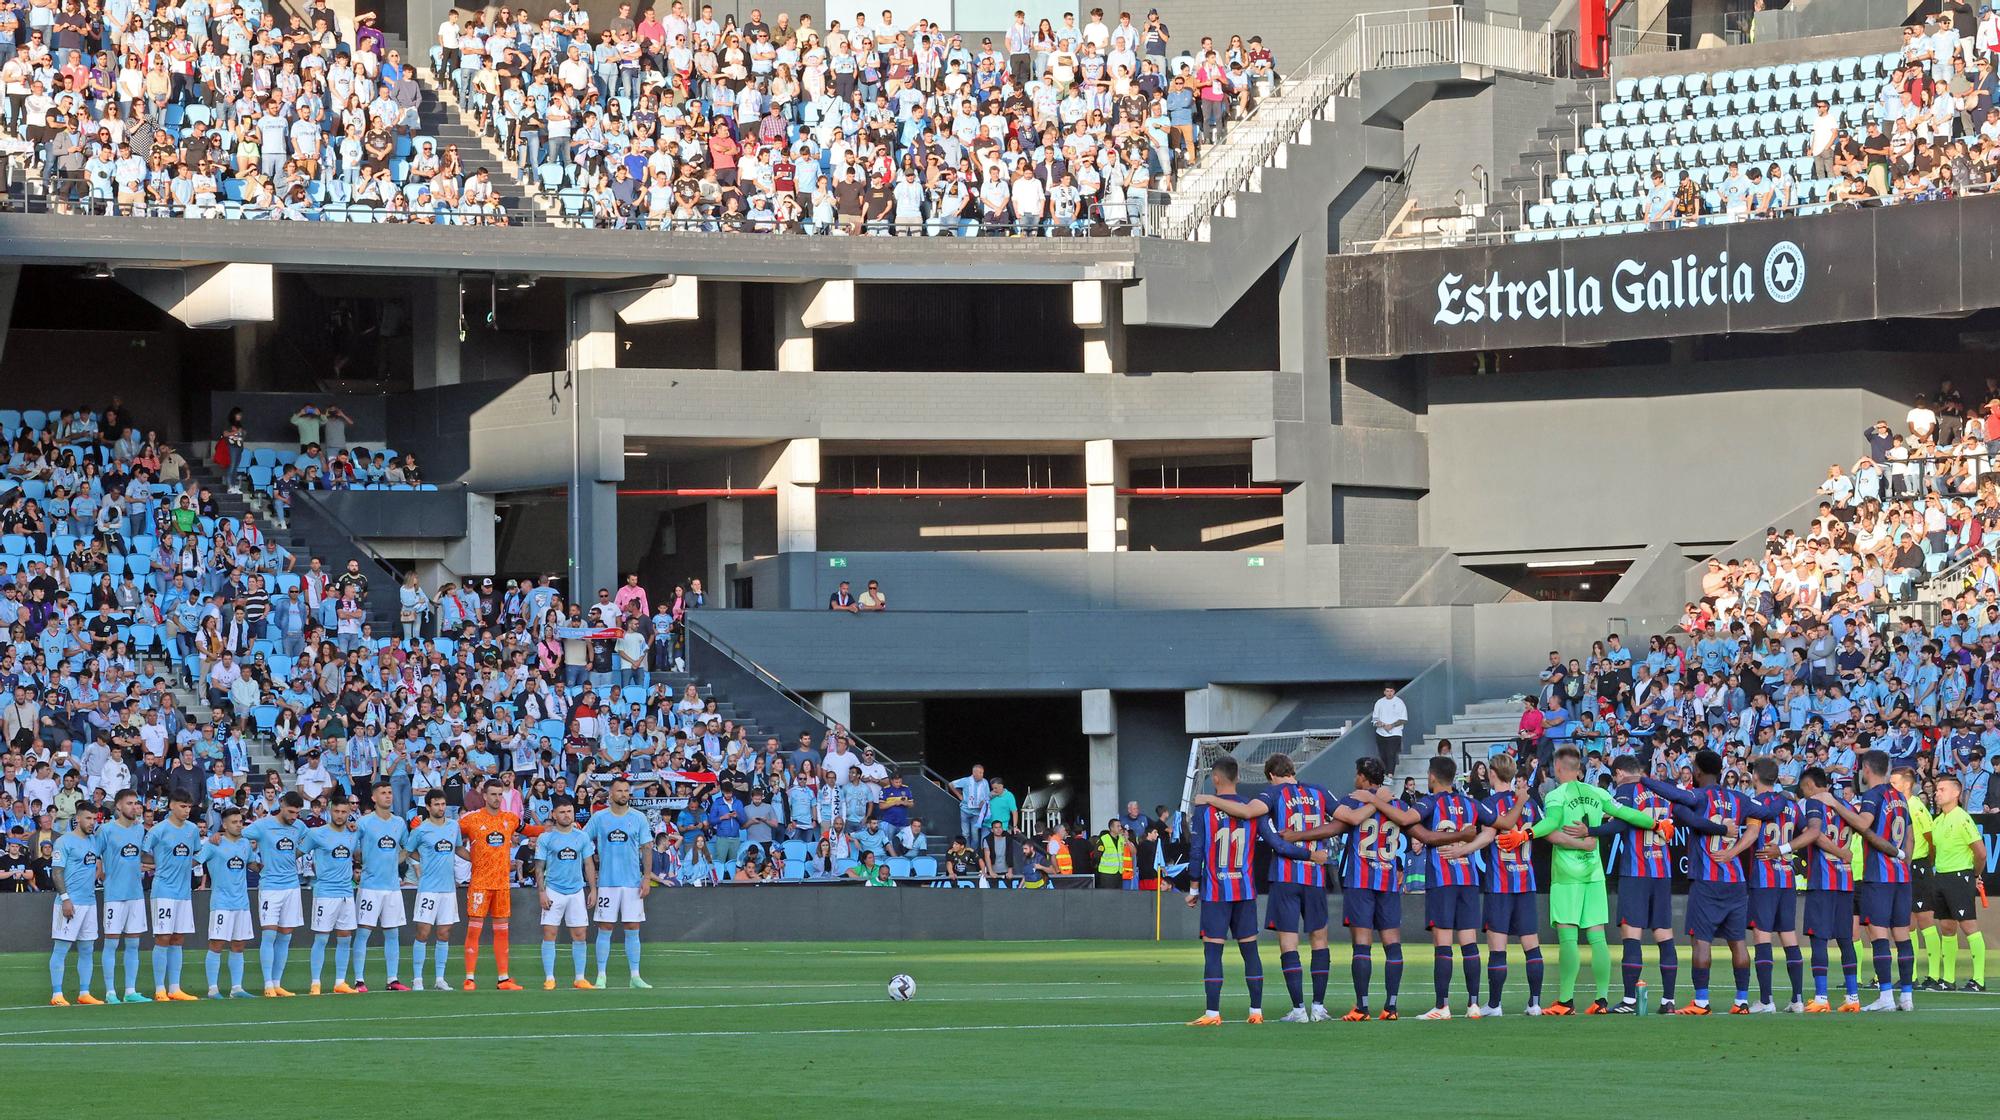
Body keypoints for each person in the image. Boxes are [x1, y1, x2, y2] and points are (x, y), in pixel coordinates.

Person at [1499, 746, 1676, 1015]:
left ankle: (1566, 1001)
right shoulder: (1598, 792)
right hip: (1594, 874)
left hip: (1568, 876)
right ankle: (1601, 1000)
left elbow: (1553, 822)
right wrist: (1656, 825)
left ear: (1558, 768)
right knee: (1597, 938)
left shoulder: (1557, 795)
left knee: (1569, 939)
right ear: (1578, 768)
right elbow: (1628, 814)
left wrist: (1526, 835)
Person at [1192, 752, 1339, 1021]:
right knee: (1319, 939)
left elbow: (1249, 814)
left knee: (1288, 943)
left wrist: (1210, 799)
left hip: (1284, 877)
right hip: (1315, 876)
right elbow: (1346, 819)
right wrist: (1316, 844)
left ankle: (1298, 1010)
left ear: (1271, 775)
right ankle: (1318, 1007)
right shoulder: (1319, 792)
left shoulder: (1270, 796)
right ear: (1293, 769)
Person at [1281, 757, 1423, 1021]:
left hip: (1361, 882)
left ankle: (1362, 1007)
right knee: (1392, 945)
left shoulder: (1355, 800)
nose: (1354, 779)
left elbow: (1333, 828)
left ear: (1363, 777)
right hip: (1389, 881)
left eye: (1357, 774)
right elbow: (1416, 831)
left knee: (1362, 945)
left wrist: (1296, 837)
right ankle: (1391, 1007)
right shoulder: (1397, 803)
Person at [1635, 750, 1775, 1014]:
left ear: (1697, 772)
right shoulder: (1739, 798)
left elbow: (1675, 795)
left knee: (1701, 941)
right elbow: (1767, 811)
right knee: (1738, 942)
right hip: (1735, 880)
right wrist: (1785, 799)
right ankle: (1742, 1001)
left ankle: (1701, 1001)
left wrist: (1643, 779)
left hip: (1707, 879)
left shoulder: (1699, 796)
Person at [1811, 749, 1917, 1011]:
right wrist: (1905, 862)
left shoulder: (1873, 795)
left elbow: (1862, 823)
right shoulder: (1901, 799)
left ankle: (1885, 997)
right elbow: (1911, 838)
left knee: (1879, 935)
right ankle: (1906, 996)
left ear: (1867, 770)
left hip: (1879, 876)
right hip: (1901, 876)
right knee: (1902, 936)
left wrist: (1835, 804)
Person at [1605, 754, 1685, 1012]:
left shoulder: (1626, 789)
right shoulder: (1663, 790)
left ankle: (1629, 999)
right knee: (1664, 935)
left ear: (1618, 773)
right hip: (1662, 871)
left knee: (1631, 934)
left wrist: (1593, 827)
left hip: (1636, 871)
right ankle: (1669, 1000)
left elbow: (1618, 825)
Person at [1408, 757, 1482, 1019]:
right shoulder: (1471, 804)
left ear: (1432, 776)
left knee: (1443, 943)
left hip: (1442, 880)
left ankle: (1442, 1006)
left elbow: (1408, 819)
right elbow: (1499, 824)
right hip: (1469, 879)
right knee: (1469, 943)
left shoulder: (1430, 802)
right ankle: (1474, 1004)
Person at [1745, 757, 1808, 1013]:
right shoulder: (1792, 806)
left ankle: (1766, 1000)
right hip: (1786, 875)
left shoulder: (1754, 804)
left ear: (1755, 777)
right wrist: (1786, 850)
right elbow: (1806, 833)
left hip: (1763, 878)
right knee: (1789, 936)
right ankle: (1797, 999)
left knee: (1762, 935)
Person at [1798, 767, 1863, 1012]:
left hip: (1823, 882)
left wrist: (1839, 852)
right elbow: (1862, 827)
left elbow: (1816, 835)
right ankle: (1853, 998)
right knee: (1846, 940)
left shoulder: (1814, 804)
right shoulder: (1845, 807)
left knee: (1819, 939)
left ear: (1811, 785)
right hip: (1845, 881)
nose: (1804, 793)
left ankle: (1822, 998)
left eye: (1804, 788)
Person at [585, 775, 654, 989]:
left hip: (632, 882)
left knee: (633, 927)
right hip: (607, 882)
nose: (624, 794)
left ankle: (635, 975)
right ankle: (601, 975)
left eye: (626, 791)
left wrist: (646, 878)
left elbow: (647, 848)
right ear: (611, 794)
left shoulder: (639, 818)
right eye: (620, 791)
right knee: (605, 927)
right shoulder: (599, 818)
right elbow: (582, 840)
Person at [459, 779, 528, 990]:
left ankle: (503, 979)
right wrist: (473, 858)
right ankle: (469, 978)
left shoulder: (510, 818)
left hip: (502, 884)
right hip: (480, 884)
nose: (497, 798)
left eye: (500, 795)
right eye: (494, 795)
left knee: (502, 932)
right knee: (474, 931)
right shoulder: (470, 819)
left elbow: (530, 830)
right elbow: (449, 837)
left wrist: (553, 827)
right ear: (485, 796)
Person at [1926, 775, 1988, 991]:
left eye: (1942, 789)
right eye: (1936, 790)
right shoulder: (1937, 820)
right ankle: (1948, 980)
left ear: (1956, 793)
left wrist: (1974, 875)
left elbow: (1981, 853)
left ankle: (1979, 980)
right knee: (1946, 926)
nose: (1937, 793)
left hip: (1960, 876)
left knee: (1969, 926)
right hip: (1941, 876)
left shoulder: (1962, 818)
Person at [245, 791, 308, 997]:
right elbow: (238, 836)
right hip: (270, 886)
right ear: (281, 804)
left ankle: (277, 983)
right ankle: (267, 984)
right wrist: (251, 861)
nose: (294, 816)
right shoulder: (263, 825)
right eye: (291, 811)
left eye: (297, 813)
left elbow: (312, 840)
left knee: (285, 936)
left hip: (292, 886)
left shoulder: (299, 826)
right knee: (269, 934)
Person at [141, 790, 203, 1001]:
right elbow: (143, 852)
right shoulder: (159, 830)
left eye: (189, 807)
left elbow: (195, 856)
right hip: (164, 891)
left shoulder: (193, 830)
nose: (187, 810)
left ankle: (174, 988)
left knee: (178, 938)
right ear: (172, 806)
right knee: (163, 937)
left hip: (184, 892)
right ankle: (160, 989)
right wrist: (157, 865)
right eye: (183, 806)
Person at [301, 792, 362, 996]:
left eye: (344, 811)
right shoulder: (317, 834)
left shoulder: (353, 834)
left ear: (348, 813)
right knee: (322, 938)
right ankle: (315, 982)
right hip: (325, 892)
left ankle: (340, 982)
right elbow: (298, 853)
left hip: (346, 892)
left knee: (345, 937)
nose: (340, 815)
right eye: (336, 811)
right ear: (330, 811)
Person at [402, 790, 462, 991]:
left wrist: (479, 860)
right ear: (428, 807)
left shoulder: (454, 826)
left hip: (448, 889)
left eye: (443, 804)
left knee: (444, 933)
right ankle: (417, 979)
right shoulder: (420, 830)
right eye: (436, 804)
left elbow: (459, 849)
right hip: (428, 888)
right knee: (423, 932)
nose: (441, 808)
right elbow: (408, 851)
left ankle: (439, 979)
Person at [353, 782, 411, 992]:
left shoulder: (399, 823)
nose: (388, 796)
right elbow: (352, 847)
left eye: (390, 793)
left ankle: (392, 979)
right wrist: (365, 862)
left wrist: (393, 862)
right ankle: (359, 980)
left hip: (392, 887)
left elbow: (408, 847)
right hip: (369, 886)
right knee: (363, 933)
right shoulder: (364, 822)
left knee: (392, 933)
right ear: (374, 798)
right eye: (383, 793)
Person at [95, 788, 151, 1003]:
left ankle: (130, 991)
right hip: (115, 895)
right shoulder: (106, 830)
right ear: (118, 806)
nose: (134, 807)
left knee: (134, 944)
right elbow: (95, 852)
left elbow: (141, 855)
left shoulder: (139, 830)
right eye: (129, 803)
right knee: (111, 943)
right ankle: (110, 992)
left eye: (136, 803)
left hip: (135, 894)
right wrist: (100, 869)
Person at [536, 795, 598, 990]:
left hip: (576, 890)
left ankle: (580, 978)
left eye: (569, 811)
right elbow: (539, 867)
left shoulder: (582, 837)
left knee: (580, 934)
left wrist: (593, 889)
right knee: (550, 932)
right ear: (554, 814)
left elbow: (589, 864)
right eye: (562, 812)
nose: (566, 815)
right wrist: (542, 892)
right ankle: (549, 978)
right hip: (553, 890)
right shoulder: (546, 837)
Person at [197, 807, 257, 999]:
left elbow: (253, 865)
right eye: (234, 822)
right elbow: (194, 861)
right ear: (224, 825)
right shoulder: (213, 843)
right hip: (221, 902)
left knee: (239, 945)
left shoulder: (246, 844)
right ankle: (213, 989)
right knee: (217, 944)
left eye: (240, 822)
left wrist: (271, 863)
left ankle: (236, 988)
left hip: (242, 903)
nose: (239, 825)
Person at [48, 803, 103, 1005]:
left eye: (94, 819)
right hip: (69, 902)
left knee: (87, 948)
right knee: (61, 948)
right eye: (88, 818)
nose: (92, 822)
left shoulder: (94, 842)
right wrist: (65, 899)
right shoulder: (64, 842)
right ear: (77, 819)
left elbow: (96, 864)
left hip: (89, 902)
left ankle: (84, 993)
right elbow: (57, 872)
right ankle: (57, 994)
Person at [1370, 684, 1407, 771]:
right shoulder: (1379, 703)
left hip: (1395, 733)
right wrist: (1381, 724)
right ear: (1384, 692)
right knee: (1383, 755)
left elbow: (1404, 719)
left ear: (1394, 692)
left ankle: (1390, 775)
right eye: (1387, 691)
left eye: (1391, 691)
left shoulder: (1399, 702)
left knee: (1391, 753)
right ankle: (1386, 773)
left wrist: (1392, 725)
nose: (1389, 693)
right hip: (1381, 733)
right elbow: (1375, 720)